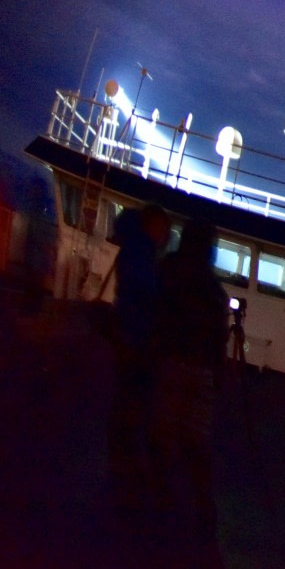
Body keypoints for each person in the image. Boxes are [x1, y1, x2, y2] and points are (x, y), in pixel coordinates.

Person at [148, 218, 231, 540]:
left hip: (169, 364)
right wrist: (218, 372)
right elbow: (218, 335)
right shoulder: (212, 288)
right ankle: (201, 510)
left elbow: (156, 313)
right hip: (201, 371)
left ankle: (162, 505)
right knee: (196, 442)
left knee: (162, 436)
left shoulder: (170, 269)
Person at [106, 204, 170, 509]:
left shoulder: (132, 247)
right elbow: (145, 290)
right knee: (133, 400)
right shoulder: (142, 251)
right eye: (164, 231)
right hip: (138, 337)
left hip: (128, 335)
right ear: (153, 226)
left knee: (125, 399)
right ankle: (126, 468)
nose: (165, 238)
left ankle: (121, 460)